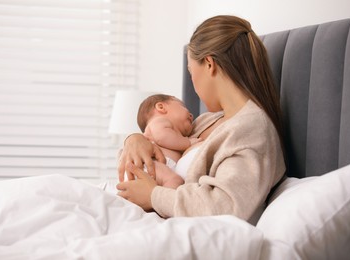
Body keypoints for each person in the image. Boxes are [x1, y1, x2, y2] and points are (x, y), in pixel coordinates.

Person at [116, 15, 286, 221]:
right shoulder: (206, 121)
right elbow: (161, 142)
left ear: (209, 64)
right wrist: (135, 139)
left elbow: (224, 205)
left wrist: (153, 196)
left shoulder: (251, 129)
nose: (193, 84)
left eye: (191, 72)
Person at [136, 94, 202, 188]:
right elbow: (161, 137)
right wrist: (188, 142)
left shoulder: (177, 138)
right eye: (183, 106)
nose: (191, 115)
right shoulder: (158, 121)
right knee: (175, 181)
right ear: (161, 107)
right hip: (151, 165)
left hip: (161, 170)